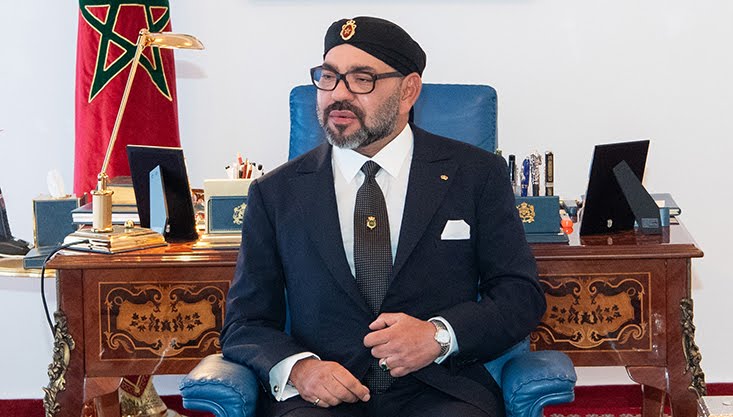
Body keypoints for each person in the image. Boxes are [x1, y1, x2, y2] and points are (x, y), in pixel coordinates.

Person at [221, 16, 546, 417]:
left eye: (362, 79)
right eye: (328, 77)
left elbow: (520, 294)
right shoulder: (275, 193)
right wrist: (300, 369)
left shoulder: (476, 175)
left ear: (409, 90)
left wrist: (439, 336)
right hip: (321, 396)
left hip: (441, 390)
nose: (338, 95)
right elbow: (246, 322)